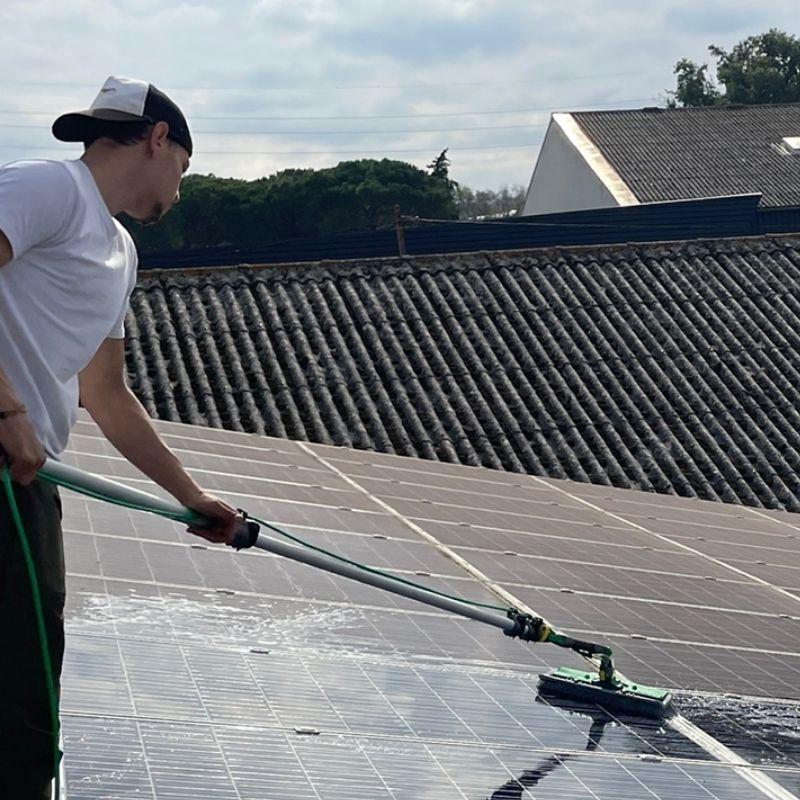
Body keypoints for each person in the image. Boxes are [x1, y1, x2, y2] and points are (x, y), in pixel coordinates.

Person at [0, 75, 241, 799]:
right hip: (5, 461)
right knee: (16, 700)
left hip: (25, 483)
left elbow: (106, 393)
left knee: (26, 695)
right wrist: (7, 411)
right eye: (185, 169)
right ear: (158, 139)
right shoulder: (49, 188)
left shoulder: (121, 250)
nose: (181, 191)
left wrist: (192, 496)